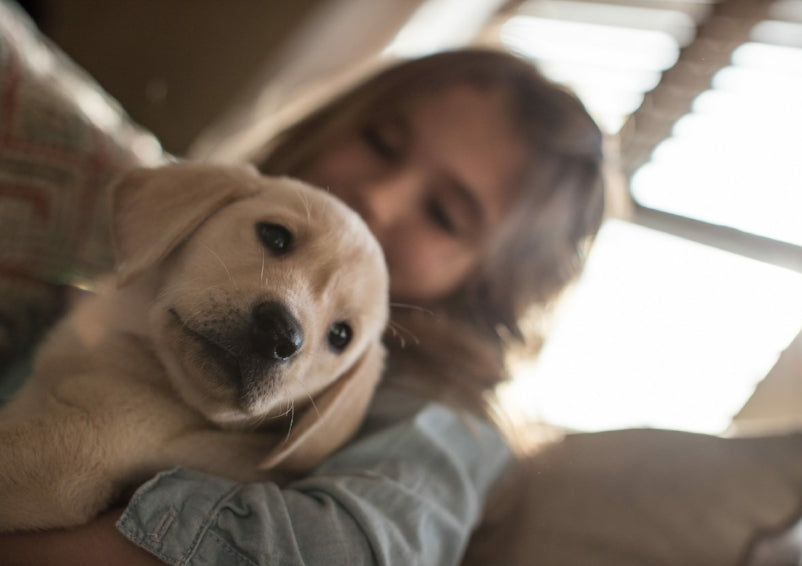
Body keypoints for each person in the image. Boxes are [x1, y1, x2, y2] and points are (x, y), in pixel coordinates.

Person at [0, 48, 606, 565]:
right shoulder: (196, 226)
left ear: (486, 288)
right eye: (382, 141)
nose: (379, 198)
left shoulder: (442, 423)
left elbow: (343, 549)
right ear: (336, 122)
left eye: (445, 215)